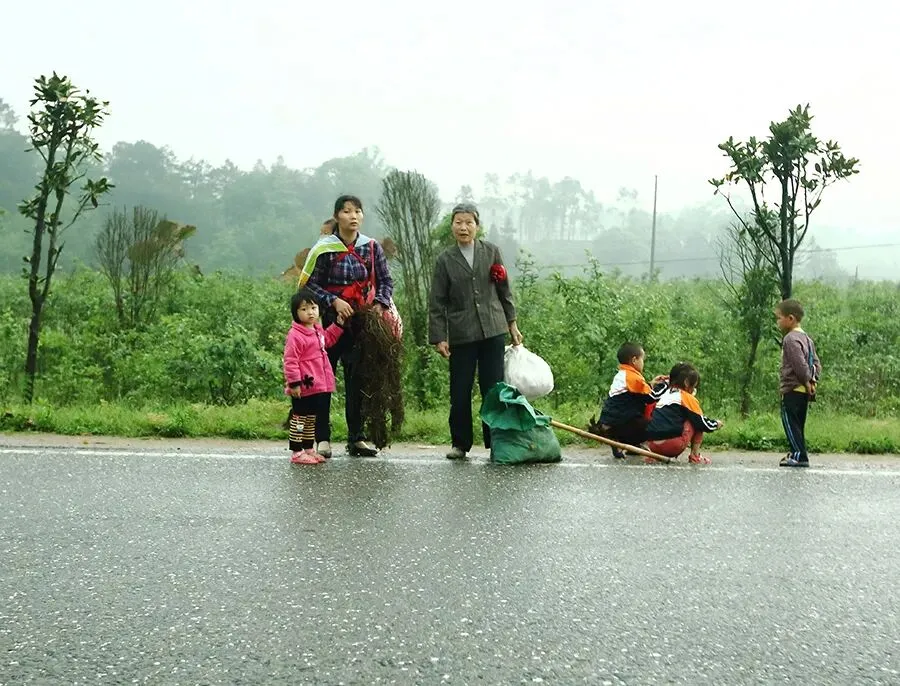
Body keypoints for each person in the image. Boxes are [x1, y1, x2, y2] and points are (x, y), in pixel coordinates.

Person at [428, 202, 524, 460]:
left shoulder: (491, 252)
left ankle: (496, 441)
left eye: (469, 222)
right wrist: (439, 337)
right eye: (458, 222)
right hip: (462, 333)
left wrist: (512, 324)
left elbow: (504, 290)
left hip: (493, 329)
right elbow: (437, 301)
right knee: (460, 390)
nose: (463, 227)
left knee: (493, 389)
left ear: (477, 226)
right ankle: (460, 443)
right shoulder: (445, 260)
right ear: (452, 227)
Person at [301, 195, 394, 457]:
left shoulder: (371, 247)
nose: (353, 216)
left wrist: (379, 304)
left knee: (358, 379)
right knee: (323, 379)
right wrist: (334, 301)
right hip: (330, 322)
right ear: (337, 216)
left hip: (362, 322)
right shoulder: (324, 249)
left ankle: (357, 438)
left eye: (357, 211)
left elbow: (386, 281)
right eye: (347, 211)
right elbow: (310, 285)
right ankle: (322, 438)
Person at [283, 288, 346, 464]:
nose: (310, 312)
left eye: (313, 308)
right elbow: (290, 360)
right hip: (302, 386)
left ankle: (308, 448)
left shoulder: (317, 330)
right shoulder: (295, 335)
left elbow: (329, 339)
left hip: (317, 385)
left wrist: (338, 325)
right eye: (304, 309)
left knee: (311, 419)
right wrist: (294, 383)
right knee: (299, 419)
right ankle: (297, 451)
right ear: (296, 313)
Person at [592, 342, 668, 459]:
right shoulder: (632, 377)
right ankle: (628, 440)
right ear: (634, 360)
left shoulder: (623, 374)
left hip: (611, 422)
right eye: (642, 359)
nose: (643, 363)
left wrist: (652, 384)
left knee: (638, 410)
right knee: (658, 426)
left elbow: (641, 392)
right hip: (622, 424)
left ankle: (626, 442)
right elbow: (652, 397)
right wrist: (666, 385)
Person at [775, 299, 822, 468]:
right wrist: (812, 380)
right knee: (798, 424)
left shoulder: (790, 339)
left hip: (793, 388)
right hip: (803, 390)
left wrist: (806, 380)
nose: (778, 322)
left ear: (790, 318)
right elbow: (816, 363)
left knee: (790, 422)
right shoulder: (807, 339)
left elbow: (799, 364)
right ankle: (798, 452)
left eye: (779, 318)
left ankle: (799, 455)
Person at [646, 362, 722, 463]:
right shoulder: (686, 397)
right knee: (696, 419)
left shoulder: (665, 394)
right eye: (694, 386)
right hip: (672, 445)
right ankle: (695, 456)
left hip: (651, 445)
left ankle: (654, 456)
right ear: (686, 383)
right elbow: (702, 423)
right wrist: (715, 424)